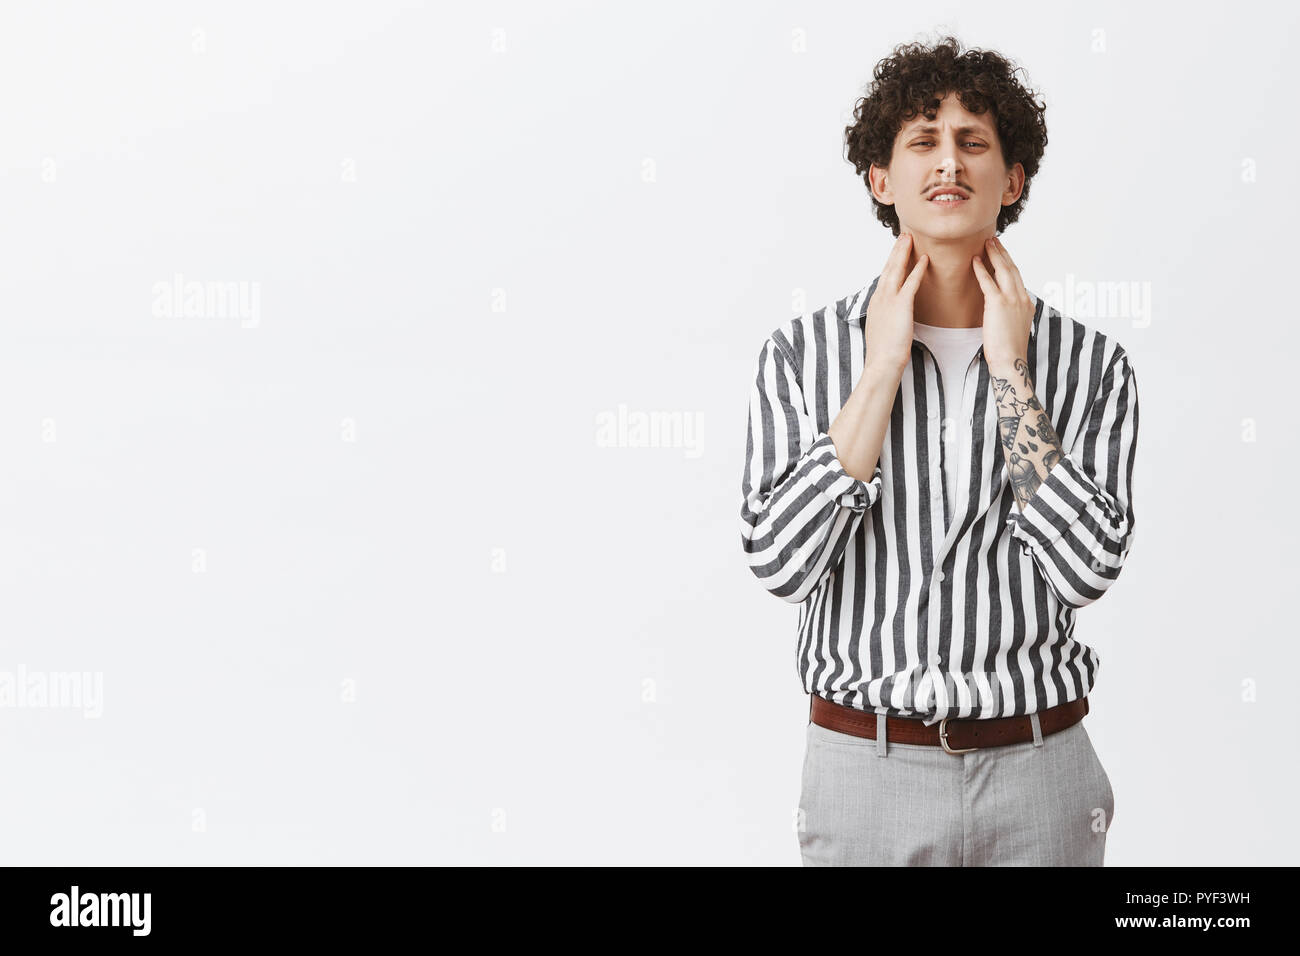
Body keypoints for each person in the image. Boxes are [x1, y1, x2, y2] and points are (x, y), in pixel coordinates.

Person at [738, 36, 1139, 866]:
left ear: (1013, 177)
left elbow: (1088, 569)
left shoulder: (1093, 364)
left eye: (973, 141)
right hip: (864, 774)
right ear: (881, 179)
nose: (947, 162)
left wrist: (1011, 373)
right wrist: (881, 367)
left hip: (1041, 774)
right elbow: (780, 564)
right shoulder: (803, 353)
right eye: (922, 140)